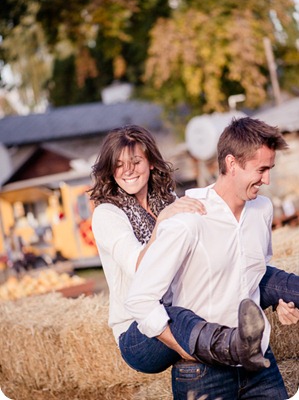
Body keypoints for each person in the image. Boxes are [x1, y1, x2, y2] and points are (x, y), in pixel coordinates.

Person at [90, 124, 299, 381]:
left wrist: (274, 299)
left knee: (261, 275)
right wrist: (161, 223)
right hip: (140, 332)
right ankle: (236, 347)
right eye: (119, 164)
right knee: (177, 314)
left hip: (182, 307)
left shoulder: (171, 202)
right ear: (110, 170)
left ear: (151, 163)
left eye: (136, 161)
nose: (129, 171)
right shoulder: (107, 214)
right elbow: (138, 269)